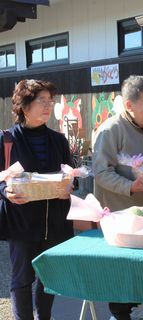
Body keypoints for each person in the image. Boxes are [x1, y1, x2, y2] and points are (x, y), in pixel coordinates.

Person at [0, 79, 74, 320]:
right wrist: (5, 191)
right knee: (22, 278)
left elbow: (72, 175)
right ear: (23, 105)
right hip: (22, 220)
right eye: (41, 100)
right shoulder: (7, 140)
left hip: (55, 220)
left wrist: (70, 186)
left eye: (49, 101)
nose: (47, 106)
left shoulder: (59, 140)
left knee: (49, 277)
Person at [92, 75, 143, 320]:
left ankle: (140, 306)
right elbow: (101, 173)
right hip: (120, 211)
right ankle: (120, 313)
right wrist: (130, 186)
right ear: (129, 105)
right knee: (121, 266)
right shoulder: (110, 130)